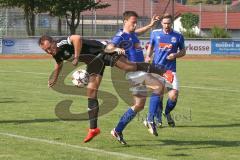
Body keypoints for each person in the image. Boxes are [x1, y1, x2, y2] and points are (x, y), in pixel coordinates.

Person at [38, 35, 173, 143]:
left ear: (54, 41)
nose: (49, 51)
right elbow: (58, 64)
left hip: (102, 51)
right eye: (46, 50)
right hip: (93, 62)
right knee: (91, 91)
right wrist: (54, 78)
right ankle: (93, 129)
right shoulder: (55, 53)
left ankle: (162, 71)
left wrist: (77, 57)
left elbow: (77, 38)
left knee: (128, 67)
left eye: (50, 47)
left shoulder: (62, 43)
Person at [110, 11, 172, 145]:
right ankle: (150, 120)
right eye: (133, 22)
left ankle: (117, 130)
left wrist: (150, 25)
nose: (135, 24)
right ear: (125, 22)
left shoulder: (132, 34)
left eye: (136, 22)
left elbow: (139, 31)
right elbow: (108, 47)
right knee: (159, 86)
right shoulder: (121, 36)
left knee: (139, 105)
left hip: (139, 71)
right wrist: (115, 49)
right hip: (134, 72)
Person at [144, 13, 186, 129]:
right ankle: (158, 119)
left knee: (173, 95)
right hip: (156, 69)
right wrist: (147, 56)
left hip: (170, 70)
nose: (167, 25)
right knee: (159, 95)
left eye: (168, 23)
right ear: (161, 23)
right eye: (164, 23)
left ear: (171, 23)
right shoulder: (155, 33)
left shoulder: (178, 36)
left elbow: (183, 51)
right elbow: (150, 47)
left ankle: (166, 112)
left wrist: (175, 55)